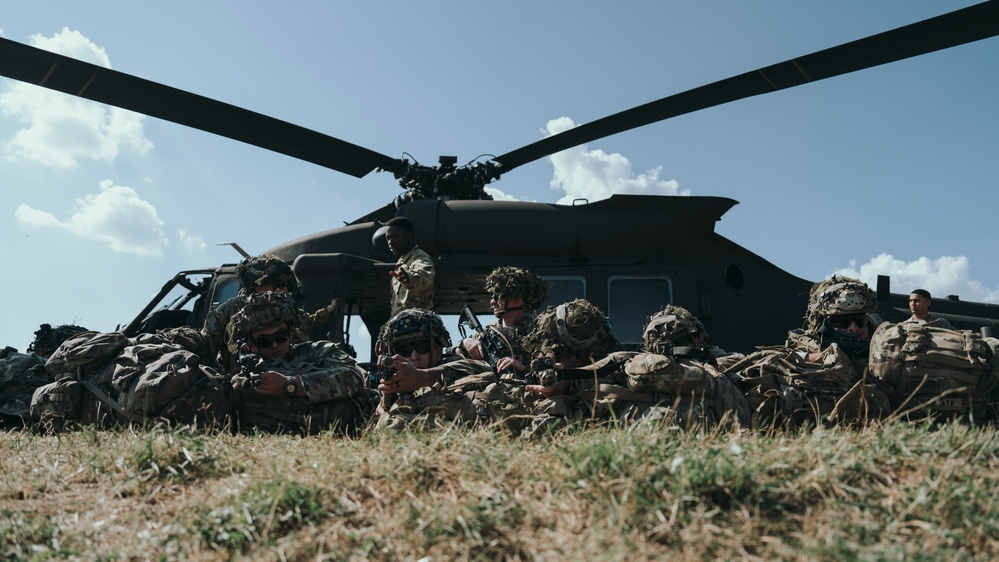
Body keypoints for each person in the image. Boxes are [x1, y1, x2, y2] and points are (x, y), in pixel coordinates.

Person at [725, 274, 889, 428]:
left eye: (860, 321)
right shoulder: (798, 354)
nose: (853, 328)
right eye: (843, 322)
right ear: (821, 325)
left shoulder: (884, 354)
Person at [227, 291, 368, 435]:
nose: (275, 344)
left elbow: (353, 376)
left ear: (290, 334)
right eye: (264, 341)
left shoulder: (317, 351)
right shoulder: (248, 375)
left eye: (280, 336)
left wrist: (291, 385)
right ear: (252, 344)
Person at [203, 254, 338, 374]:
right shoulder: (228, 311)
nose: (283, 289)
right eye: (278, 284)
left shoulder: (284, 307)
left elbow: (307, 320)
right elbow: (206, 346)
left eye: (285, 284)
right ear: (258, 285)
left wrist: (329, 310)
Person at [374, 308, 490, 430]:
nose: (414, 357)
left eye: (422, 347)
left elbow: (481, 368)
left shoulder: (457, 367)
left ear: (438, 350)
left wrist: (424, 377)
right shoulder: (396, 383)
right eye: (405, 350)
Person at [457, 266, 548, 377]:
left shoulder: (537, 331)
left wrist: (524, 366)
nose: (492, 302)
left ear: (515, 298)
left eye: (497, 296)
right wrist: (465, 343)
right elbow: (453, 354)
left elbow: (551, 364)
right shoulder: (487, 332)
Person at [385, 217, 435, 317]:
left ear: (408, 236)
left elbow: (424, 277)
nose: (390, 242)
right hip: (401, 325)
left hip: (417, 324)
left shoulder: (420, 257)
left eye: (394, 237)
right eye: (388, 238)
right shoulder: (401, 262)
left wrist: (409, 279)